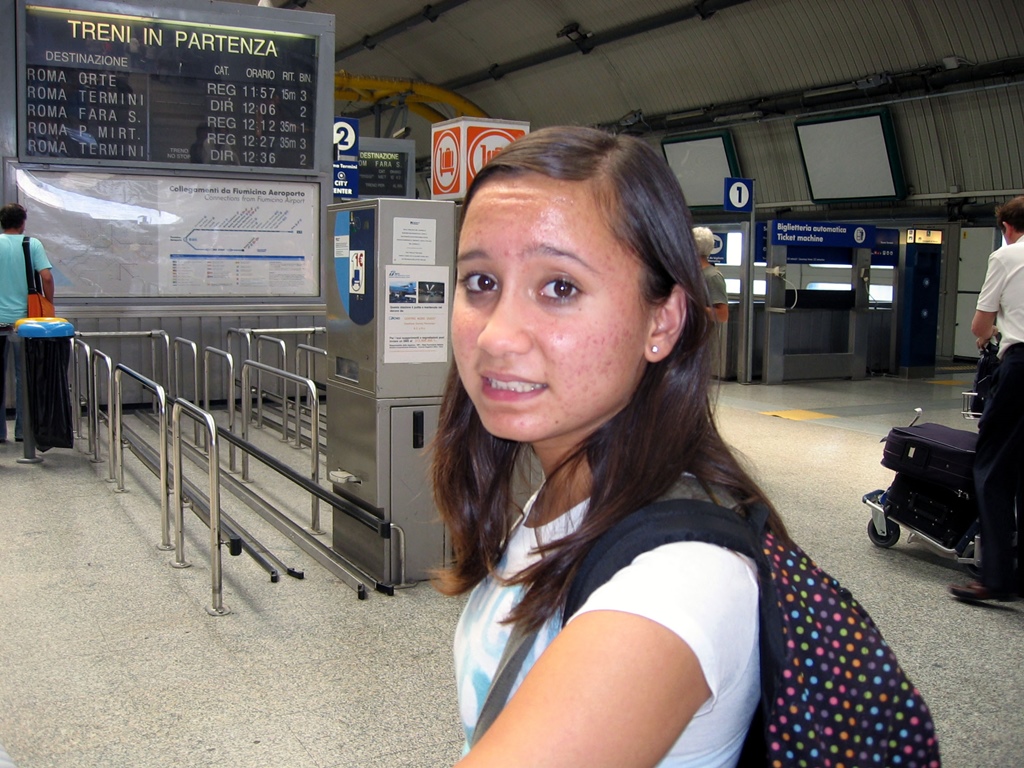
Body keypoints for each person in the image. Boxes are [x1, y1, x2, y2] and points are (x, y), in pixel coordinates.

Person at [431, 126, 789, 766]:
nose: (496, 337)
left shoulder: (679, 584)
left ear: (662, 321)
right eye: (480, 282)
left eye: (560, 287)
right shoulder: (569, 487)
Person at [950, 195, 1024, 604]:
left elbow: (981, 322)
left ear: (1008, 227)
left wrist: (985, 336)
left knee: (994, 469)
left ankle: (995, 577)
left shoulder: (1006, 256)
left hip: (1020, 365)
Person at [0, 203, 54, 443]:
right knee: (25, 377)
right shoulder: (31, 244)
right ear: (22, 223)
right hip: (25, 322)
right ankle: (23, 431)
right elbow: (46, 276)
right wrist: (48, 304)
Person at [692, 226, 728, 323]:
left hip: (702, 337)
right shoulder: (689, 274)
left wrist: (693, 309)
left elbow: (722, 315)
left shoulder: (712, 276)